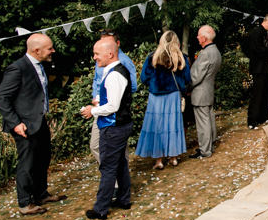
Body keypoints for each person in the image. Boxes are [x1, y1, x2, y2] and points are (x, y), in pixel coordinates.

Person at [0, 33, 65, 216]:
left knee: (43, 158)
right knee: (27, 163)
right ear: (36, 50)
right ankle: (25, 203)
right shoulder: (17, 68)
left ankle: (41, 194)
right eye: (50, 48)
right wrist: (16, 123)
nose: (53, 51)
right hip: (23, 125)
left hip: (38, 120)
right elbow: (2, 97)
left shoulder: (39, 65)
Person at [80, 38, 134, 220]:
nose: (94, 57)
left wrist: (92, 110)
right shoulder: (113, 71)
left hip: (114, 127)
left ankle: (101, 208)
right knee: (119, 165)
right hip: (119, 125)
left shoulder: (114, 75)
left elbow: (113, 106)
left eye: (97, 53)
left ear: (110, 54)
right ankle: (123, 199)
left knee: (108, 167)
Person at [136, 30, 191, 169]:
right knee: (173, 125)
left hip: (156, 96)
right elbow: (187, 78)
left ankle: (159, 160)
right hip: (173, 94)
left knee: (157, 126)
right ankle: (173, 158)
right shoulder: (181, 57)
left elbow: (144, 78)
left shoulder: (152, 57)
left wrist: (154, 83)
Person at [90, 29, 138, 164]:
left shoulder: (124, 62)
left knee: (119, 148)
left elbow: (131, 86)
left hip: (115, 112)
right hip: (100, 108)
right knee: (95, 145)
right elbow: (96, 80)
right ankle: (112, 174)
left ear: (116, 44)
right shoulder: (100, 58)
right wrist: (96, 97)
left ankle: (117, 177)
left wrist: (111, 97)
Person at [188, 25, 222, 159]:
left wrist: (187, 88)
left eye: (198, 35)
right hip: (208, 90)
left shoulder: (206, 54)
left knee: (203, 122)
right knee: (209, 118)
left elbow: (196, 76)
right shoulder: (215, 51)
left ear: (204, 37)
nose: (197, 37)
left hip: (200, 91)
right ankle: (210, 145)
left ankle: (205, 150)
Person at [246, 14, 268, 129]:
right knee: (257, 94)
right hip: (258, 69)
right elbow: (259, 51)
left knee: (266, 93)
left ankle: (263, 117)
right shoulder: (257, 33)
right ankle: (252, 121)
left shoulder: (264, 32)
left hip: (265, 68)